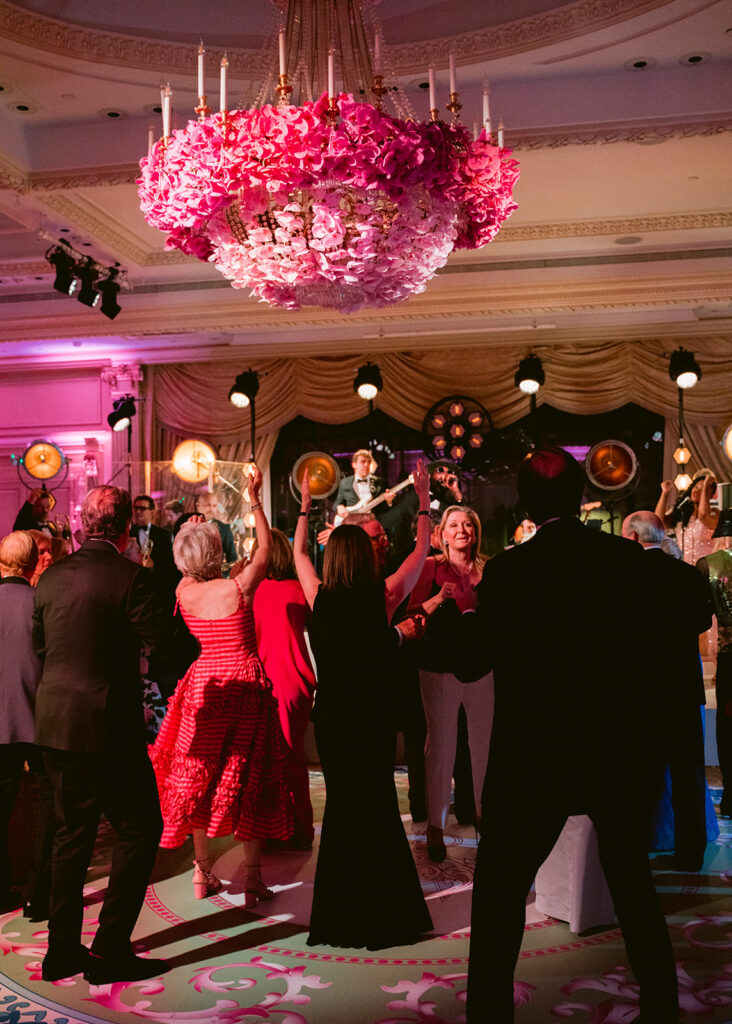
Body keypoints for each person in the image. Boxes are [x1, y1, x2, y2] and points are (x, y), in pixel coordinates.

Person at [451, 447, 678, 1024]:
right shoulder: (624, 562)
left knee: (500, 892)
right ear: (583, 498)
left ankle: (488, 1013)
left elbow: (474, 663)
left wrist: (439, 627)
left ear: (525, 504)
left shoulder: (508, 572)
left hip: (533, 754)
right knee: (632, 886)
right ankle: (662, 1006)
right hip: (612, 747)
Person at [32, 485, 170, 984]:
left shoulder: (49, 579)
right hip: (108, 727)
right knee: (139, 828)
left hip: (53, 721)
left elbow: (41, 644)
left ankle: (61, 953)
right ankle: (109, 949)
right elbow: (163, 646)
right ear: (124, 528)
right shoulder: (132, 577)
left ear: (85, 525)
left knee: (71, 837)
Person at [294, 461, 433, 950]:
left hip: (332, 720)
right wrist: (422, 499)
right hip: (371, 719)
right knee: (375, 808)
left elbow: (298, 556)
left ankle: (337, 916)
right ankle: (385, 915)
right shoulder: (384, 594)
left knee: (342, 811)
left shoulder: (319, 596)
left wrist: (306, 514)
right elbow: (421, 552)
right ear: (366, 555)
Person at [151, 470, 292, 907]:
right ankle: (252, 877)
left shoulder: (183, 590)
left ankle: (201, 873)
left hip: (204, 686)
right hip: (245, 684)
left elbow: (190, 565)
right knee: (248, 778)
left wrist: (187, 534)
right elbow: (265, 551)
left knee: (199, 777)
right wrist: (254, 500)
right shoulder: (238, 587)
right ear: (217, 550)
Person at [622, 510, 715, 869]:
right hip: (681, 688)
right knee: (687, 774)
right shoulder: (688, 575)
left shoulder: (624, 577)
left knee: (641, 774)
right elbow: (702, 620)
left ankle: (637, 847)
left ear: (632, 538)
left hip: (640, 691)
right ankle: (691, 853)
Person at [408, 505, 493, 861]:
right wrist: (439, 599)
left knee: (485, 748)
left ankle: (486, 821)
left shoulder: (490, 568)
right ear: (442, 534)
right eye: (454, 525)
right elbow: (411, 616)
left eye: (468, 524)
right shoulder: (429, 567)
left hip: (483, 670)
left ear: (476, 531)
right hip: (439, 669)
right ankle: (436, 828)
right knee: (440, 749)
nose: (462, 530)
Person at [252, 527, 317, 850]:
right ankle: (299, 829)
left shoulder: (253, 590)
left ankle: (275, 830)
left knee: (270, 760)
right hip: (297, 678)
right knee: (293, 758)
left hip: (267, 678)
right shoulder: (299, 588)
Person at [0, 532, 54, 919]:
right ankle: (39, 894)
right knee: (52, 806)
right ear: (32, 562)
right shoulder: (39, 603)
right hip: (39, 720)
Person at [697, 498, 732, 818]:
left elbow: (700, 618)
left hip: (729, 654)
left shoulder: (710, 565)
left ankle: (731, 795)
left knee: (726, 724)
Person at [655, 468, 719, 565]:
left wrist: (706, 485)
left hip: (706, 568)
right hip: (685, 568)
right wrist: (665, 493)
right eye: (696, 487)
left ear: (710, 494)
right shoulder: (682, 512)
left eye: (703, 489)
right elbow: (658, 521)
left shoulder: (714, 513)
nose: (697, 491)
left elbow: (703, 515)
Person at [130, 494, 177, 598]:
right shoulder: (127, 533)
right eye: (136, 508)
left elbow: (169, 563)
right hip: (133, 585)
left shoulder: (164, 535)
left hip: (157, 586)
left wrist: (153, 567)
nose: (138, 512)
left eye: (142, 509)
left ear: (152, 512)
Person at [334, 448, 392, 523]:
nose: (367, 465)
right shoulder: (344, 483)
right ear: (354, 464)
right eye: (363, 462)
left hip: (373, 523)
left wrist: (389, 502)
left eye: (368, 462)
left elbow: (386, 509)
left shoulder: (380, 482)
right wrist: (339, 507)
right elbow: (338, 502)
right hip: (352, 523)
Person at [196, 491, 238, 567]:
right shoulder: (189, 526)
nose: (211, 509)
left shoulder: (224, 528)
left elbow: (232, 559)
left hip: (216, 575)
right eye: (208, 505)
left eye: (214, 505)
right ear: (198, 505)